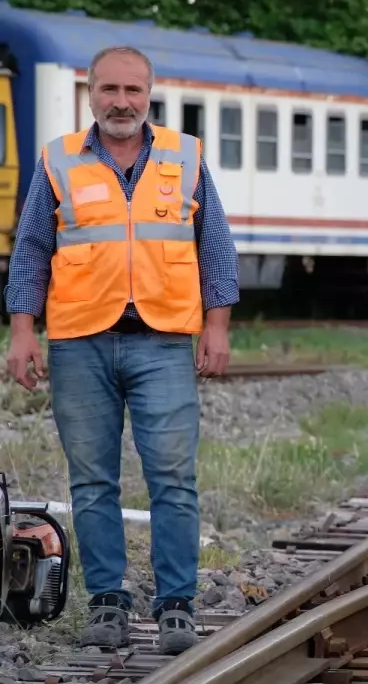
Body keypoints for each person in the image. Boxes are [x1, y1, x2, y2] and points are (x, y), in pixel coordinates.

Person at [3, 45, 240, 653]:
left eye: (133, 91)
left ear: (150, 94)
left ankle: (177, 606)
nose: (121, 102)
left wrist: (217, 325)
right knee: (92, 483)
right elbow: (31, 249)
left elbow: (214, 246)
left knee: (173, 480)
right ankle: (107, 601)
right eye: (109, 90)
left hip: (163, 341)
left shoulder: (185, 158)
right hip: (81, 343)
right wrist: (22, 330)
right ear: (90, 94)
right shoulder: (58, 161)